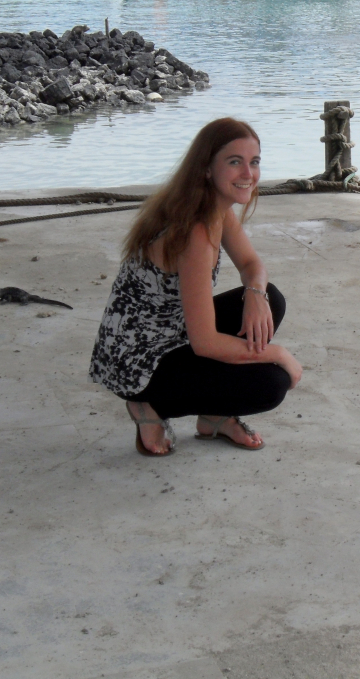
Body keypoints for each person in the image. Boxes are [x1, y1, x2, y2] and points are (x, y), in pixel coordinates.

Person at [90, 118, 303, 456]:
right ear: (206, 168)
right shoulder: (196, 233)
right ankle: (147, 406)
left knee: (270, 299)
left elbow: (253, 266)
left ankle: (213, 417)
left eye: (255, 161)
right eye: (235, 162)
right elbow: (204, 343)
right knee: (271, 383)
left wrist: (256, 294)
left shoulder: (215, 207)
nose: (248, 173)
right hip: (137, 360)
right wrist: (278, 354)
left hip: (170, 332)